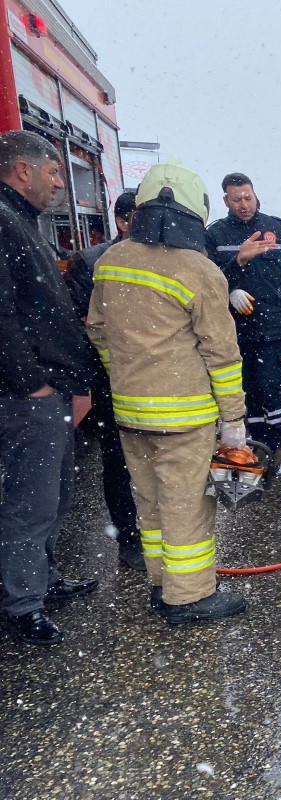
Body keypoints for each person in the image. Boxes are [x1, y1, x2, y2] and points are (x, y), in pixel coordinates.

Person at [86, 161, 248, 624]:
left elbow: (98, 331)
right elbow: (221, 354)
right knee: (187, 505)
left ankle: (161, 583)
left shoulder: (111, 261)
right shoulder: (199, 270)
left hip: (129, 411)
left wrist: (127, 377)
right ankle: (190, 595)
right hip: (184, 417)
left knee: (151, 502)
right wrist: (233, 421)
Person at [0, 130, 97, 646]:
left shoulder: (25, 221)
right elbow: (4, 315)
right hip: (27, 398)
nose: (61, 182)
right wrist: (32, 384)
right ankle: (22, 607)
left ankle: (43, 579)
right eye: (54, 172)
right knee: (29, 503)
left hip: (52, 391)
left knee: (57, 497)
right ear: (23, 170)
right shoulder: (4, 221)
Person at [205, 173, 281, 462]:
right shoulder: (215, 235)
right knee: (246, 388)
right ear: (226, 201)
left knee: (269, 384)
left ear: (255, 195)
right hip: (235, 329)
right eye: (236, 199)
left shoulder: (278, 230)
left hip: (275, 327)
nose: (243, 204)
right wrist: (232, 279)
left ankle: (275, 441)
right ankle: (253, 442)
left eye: (247, 197)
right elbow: (205, 281)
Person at [65, 190, 144, 570]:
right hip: (110, 379)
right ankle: (128, 536)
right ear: (123, 221)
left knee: (159, 460)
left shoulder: (161, 261)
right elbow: (80, 322)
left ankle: (160, 533)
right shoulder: (92, 261)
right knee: (117, 459)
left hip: (157, 378)